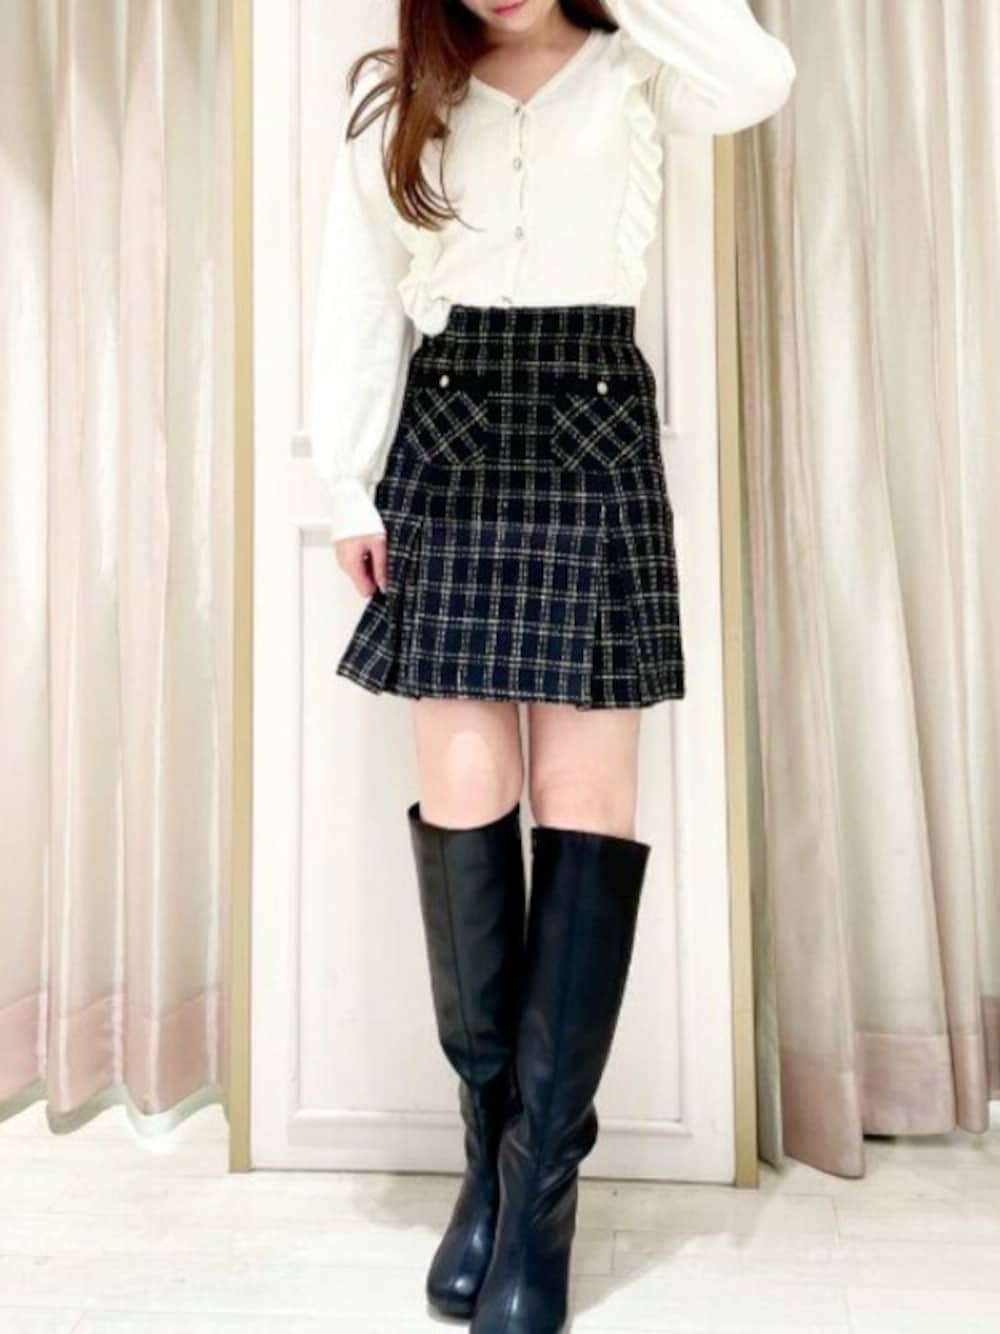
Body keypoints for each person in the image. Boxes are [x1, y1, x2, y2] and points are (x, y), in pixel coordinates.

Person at [307, 2, 795, 1330]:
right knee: (464, 796)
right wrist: (349, 486)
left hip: (592, 426)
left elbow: (760, 77)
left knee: (588, 808)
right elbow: (359, 292)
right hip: (450, 432)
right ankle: (492, 1159)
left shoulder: (640, 67)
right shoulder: (402, 92)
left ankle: (539, 1199)